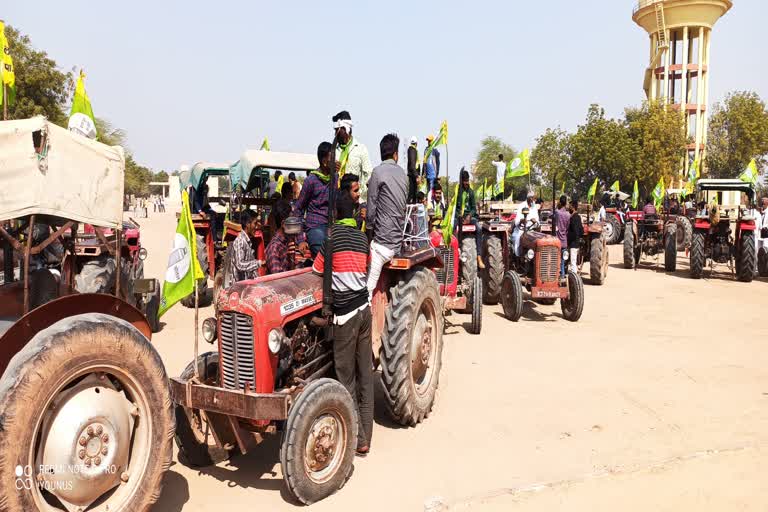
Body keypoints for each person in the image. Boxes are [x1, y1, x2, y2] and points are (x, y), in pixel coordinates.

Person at [312, 194, 373, 456]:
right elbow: (366, 270)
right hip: (365, 310)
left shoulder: (330, 239)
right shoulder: (363, 240)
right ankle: (366, 436)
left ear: (335, 214)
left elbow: (317, 272)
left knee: (345, 377)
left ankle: (355, 438)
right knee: (365, 376)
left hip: (346, 315)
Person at [366, 133, 407, 298]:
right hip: (397, 242)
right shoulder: (404, 175)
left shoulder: (377, 172)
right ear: (395, 155)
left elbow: (370, 212)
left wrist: (368, 235)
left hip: (382, 245)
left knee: (366, 291)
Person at [294, 142, 332, 257]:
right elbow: (298, 210)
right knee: (324, 253)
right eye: (333, 158)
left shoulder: (335, 178)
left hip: (331, 227)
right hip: (315, 227)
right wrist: (300, 240)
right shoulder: (311, 180)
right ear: (324, 161)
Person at [333, 111, 373, 199]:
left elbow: (368, 175)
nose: (335, 134)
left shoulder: (361, 149)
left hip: (355, 201)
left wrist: (361, 196)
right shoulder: (333, 151)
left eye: (337, 130)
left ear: (346, 129)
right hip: (337, 200)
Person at [266, 200, 309, 274]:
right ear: (283, 224)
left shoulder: (289, 240)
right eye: (291, 220)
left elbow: (294, 266)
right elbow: (277, 277)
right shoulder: (274, 247)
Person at [454, 168, 484, 269]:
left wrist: (469, 216)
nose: (466, 183)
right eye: (465, 181)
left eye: (467, 181)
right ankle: (454, 251)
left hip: (469, 217)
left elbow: (473, 208)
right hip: (459, 217)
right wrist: (459, 216)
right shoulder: (457, 192)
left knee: (479, 228)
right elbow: (454, 207)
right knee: (453, 227)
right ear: (461, 181)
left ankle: (479, 256)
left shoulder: (471, 192)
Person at [228, 209, 265, 284]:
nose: (256, 227)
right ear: (248, 224)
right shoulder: (240, 241)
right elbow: (240, 265)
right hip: (239, 288)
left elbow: (249, 266)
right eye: (255, 223)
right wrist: (259, 263)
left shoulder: (247, 241)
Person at [512, 191, 540, 257]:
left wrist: (535, 222)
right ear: (530, 198)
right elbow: (517, 221)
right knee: (517, 239)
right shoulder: (521, 206)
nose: (535, 200)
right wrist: (522, 220)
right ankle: (518, 257)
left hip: (532, 230)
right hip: (521, 230)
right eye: (534, 198)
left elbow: (538, 222)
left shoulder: (534, 207)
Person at [554, 195, 571, 276]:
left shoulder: (557, 212)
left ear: (560, 202)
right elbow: (567, 227)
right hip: (564, 240)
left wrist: (557, 206)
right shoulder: (568, 214)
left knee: (555, 260)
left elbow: (551, 214)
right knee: (562, 262)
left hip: (557, 240)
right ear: (566, 203)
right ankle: (563, 276)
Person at [566, 197, 584, 274]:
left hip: (573, 243)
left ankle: (574, 278)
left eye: (569, 206)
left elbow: (575, 232)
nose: (568, 208)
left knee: (573, 262)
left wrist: (568, 238)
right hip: (576, 243)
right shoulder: (578, 217)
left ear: (573, 207)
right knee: (573, 261)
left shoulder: (574, 218)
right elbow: (581, 231)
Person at [406, 136, 420, 203]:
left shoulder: (412, 150)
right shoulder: (412, 150)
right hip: (413, 174)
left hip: (413, 173)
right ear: (416, 143)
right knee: (412, 192)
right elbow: (412, 164)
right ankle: (407, 206)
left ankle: (412, 207)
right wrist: (416, 176)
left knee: (414, 192)